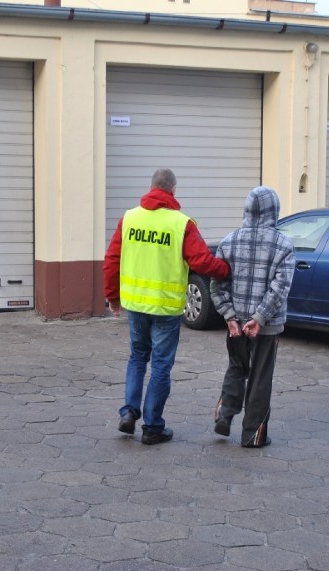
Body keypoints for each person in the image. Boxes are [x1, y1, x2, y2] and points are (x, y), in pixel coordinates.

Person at [104, 168, 230, 445]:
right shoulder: (181, 223)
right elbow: (201, 262)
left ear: (150, 188)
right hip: (166, 310)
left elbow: (112, 259)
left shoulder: (129, 218)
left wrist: (112, 298)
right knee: (160, 364)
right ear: (173, 191)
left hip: (135, 306)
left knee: (137, 357)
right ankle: (152, 427)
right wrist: (226, 271)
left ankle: (128, 412)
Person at [210, 186, 295, 448]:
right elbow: (280, 288)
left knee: (237, 367)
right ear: (275, 211)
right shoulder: (284, 244)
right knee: (260, 377)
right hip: (266, 327)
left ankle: (224, 414)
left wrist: (230, 316)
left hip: (235, 324)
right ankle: (252, 435)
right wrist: (259, 318)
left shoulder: (229, 241)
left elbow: (217, 284)